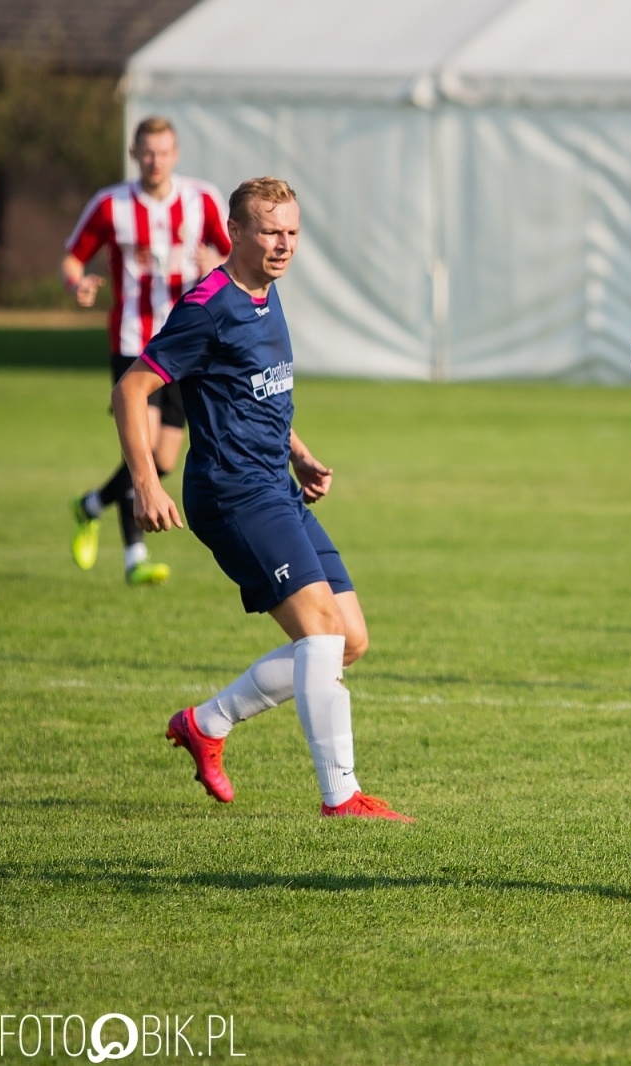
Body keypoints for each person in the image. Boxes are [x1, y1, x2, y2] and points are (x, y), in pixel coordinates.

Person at [113, 177, 409, 821]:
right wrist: (144, 481)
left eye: (293, 232)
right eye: (271, 231)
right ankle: (342, 797)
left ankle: (206, 723)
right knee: (322, 634)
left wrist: (298, 451)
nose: (284, 245)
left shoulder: (266, 297)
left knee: (349, 639)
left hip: (274, 482)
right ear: (237, 233)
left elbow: (258, 389)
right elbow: (131, 390)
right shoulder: (207, 306)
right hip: (232, 494)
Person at [65, 116, 232, 585]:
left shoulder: (202, 200)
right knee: (141, 448)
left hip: (187, 340)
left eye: (163, 151)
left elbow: (233, 256)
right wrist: (77, 283)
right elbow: (72, 257)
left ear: (175, 154)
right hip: (134, 341)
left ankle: (90, 505)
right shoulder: (111, 205)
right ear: (135, 154)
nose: (155, 160)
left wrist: (215, 261)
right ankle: (134, 557)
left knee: (160, 461)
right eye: (147, 152)